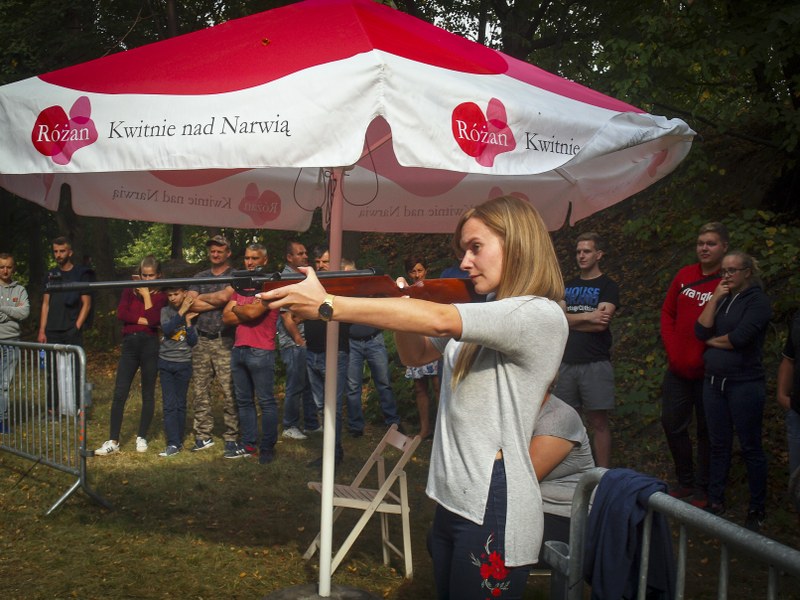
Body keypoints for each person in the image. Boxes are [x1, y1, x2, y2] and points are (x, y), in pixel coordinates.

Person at [259, 195, 568, 599]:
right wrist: (399, 303)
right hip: (455, 495)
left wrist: (328, 305)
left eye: (476, 247)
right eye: (464, 250)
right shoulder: (492, 311)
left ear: (519, 243)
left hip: (495, 498)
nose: (465, 262)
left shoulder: (538, 313)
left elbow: (439, 319)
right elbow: (416, 354)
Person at [695, 250, 771, 532]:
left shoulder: (758, 302)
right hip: (714, 382)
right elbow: (700, 331)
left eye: (731, 271)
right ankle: (716, 500)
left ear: (747, 272)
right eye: (723, 271)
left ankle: (757, 508)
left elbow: (739, 339)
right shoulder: (724, 298)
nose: (725, 276)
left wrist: (712, 341)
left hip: (744, 383)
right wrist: (714, 298)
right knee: (718, 443)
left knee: (751, 446)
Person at [660, 222, 728, 506]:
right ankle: (685, 480)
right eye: (701, 243)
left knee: (707, 431)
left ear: (724, 247)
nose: (704, 248)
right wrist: (673, 349)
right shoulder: (685, 275)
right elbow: (668, 313)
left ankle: (704, 487)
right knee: (672, 424)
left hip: (709, 371)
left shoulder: (727, 282)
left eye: (711, 243)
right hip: (678, 368)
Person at [553, 232, 619, 468]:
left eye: (587, 251)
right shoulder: (568, 286)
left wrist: (571, 319)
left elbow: (602, 323)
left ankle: (601, 474)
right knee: (566, 422)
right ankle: (573, 472)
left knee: (598, 422)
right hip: (566, 362)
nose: (581, 255)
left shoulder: (608, 286)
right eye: (578, 251)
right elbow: (558, 320)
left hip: (595, 363)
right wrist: (589, 316)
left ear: (598, 255)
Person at [95, 256, 168, 455]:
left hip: (150, 345)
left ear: (159, 275)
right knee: (120, 392)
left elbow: (155, 319)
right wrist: (144, 320)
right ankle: (113, 440)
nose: (147, 279)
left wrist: (146, 297)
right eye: (144, 275)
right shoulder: (129, 289)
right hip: (130, 344)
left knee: (148, 392)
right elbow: (121, 313)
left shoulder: (161, 295)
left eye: (151, 276)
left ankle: (141, 436)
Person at [222, 243, 281, 463]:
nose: (250, 262)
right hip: (239, 349)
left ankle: (267, 448)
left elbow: (253, 312)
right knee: (244, 401)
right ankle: (248, 444)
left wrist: (238, 309)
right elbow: (226, 317)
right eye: (247, 258)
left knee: (266, 402)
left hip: (261, 351)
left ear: (265, 260)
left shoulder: (270, 286)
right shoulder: (241, 286)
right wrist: (243, 310)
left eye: (255, 258)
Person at [529, 391, 595, 569]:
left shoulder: (559, 416)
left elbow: (519, 479)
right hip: (526, 509)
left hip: (563, 515)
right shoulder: (511, 412)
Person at [186, 235, 238, 453]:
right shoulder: (200, 276)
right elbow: (189, 302)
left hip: (225, 340)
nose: (215, 254)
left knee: (229, 390)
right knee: (200, 391)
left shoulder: (235, 275)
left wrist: (204, 299)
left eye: (220, 250)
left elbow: (227, 298)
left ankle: (232, 435)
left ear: (228, 253)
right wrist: (218, 300)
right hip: (201, 340)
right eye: (212, 251)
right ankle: (203, 435)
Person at [345, 259, 402, 437]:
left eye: (351, 272)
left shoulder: (369, 287)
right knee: (353, 386)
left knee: (384, 383)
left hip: (374, 340)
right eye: (345, 273)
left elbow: (387, 295)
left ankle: (393, 423)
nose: (349, 276)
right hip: (352, 342)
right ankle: (356, 426)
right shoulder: (342, 293)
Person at [37, 237, 94, 415]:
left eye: (62, 251)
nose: (58, 255)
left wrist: (76, 327)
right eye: (55, 251)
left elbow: (87, 304)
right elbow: (45, 304)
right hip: (52, 329)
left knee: (77, 370)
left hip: (71, 328)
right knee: (51, 372)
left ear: (70, 252)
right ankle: (52, 409)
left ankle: (79, 408)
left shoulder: (81, 273)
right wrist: (42, 330)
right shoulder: (50, 275)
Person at [277, 240, 319, 440]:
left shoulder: (303, 277)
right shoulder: (286, 279)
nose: (305, 256)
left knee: (308, 384)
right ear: (289, 257)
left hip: (305, 339)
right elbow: (287, 317)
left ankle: (311, 423)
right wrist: (299, 340)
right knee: (295, 385)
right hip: (293, 342)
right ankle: (290, 425)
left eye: (305, 252)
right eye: (300, 253)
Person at [157, 287, 199, 457]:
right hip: (166, 363)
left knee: (180, 403)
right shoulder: (165, 311)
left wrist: (188, 322)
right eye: (169, 295)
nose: (173, 298)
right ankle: (172, 443)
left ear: (184, 293)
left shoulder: (193, 312)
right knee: (169, 405)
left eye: (176, 294)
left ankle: (178, 441)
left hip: (184, 364)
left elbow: (193, 341)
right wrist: (182, 312)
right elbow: (167, 329)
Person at [403, 256, 440, 440]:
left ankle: (442, 427)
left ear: (426, 270)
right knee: (420, 387)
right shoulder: (406, 293)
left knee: (438, 385)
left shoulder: (435, 289)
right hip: (416, 339)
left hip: (434, 340)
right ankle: (425, 428)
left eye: (420, 270)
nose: (417, 275)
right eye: (413, 271)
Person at [0, 253, 30, 432]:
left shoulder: (20, 290)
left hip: (12, 341)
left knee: (4, 383)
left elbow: (24, 312)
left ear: (13, 268)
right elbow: (17, 312)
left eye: (8, 267)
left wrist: (3, 309)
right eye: (2, 267)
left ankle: (2, 420)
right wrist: (13, 311)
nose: (5, 270)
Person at [777, 310, 800, 515]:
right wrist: (782, 395)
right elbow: (789, 358)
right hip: (797, 414)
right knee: (797, 487)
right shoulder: (798, 318)